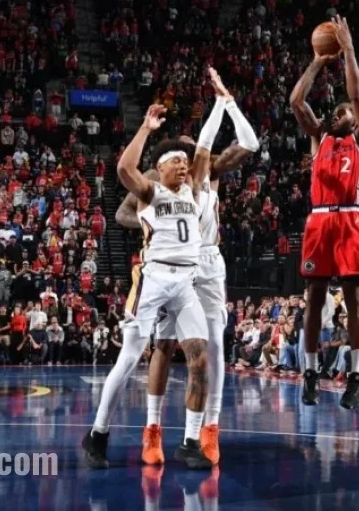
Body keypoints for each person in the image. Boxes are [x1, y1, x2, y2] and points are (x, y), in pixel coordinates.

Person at [117, 69, 258, 466]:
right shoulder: (160, 181)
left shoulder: (210, 173)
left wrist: (225, 102)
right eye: (182, 154)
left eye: (192, 152)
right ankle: (153, 427)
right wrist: (155, 225)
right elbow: (125, 211)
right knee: (163, 345)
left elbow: (247, 142)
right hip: (172, 264)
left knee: (212, 348)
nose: (189, 156)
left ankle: (209, 428)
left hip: (207, 262)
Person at [82, 97, 220, 471]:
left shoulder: (193, 190)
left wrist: (221, 103)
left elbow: (206, 147)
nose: (183, 164)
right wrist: (145, 127)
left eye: (185, 161)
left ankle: (190, 442)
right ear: (159, 169)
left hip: (186, 282)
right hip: (154, 277)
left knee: (199, 358)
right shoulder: (150, 192)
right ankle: (97, 434)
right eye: (176, 160)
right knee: (129, 359)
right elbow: (124, 167)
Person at [290, 16, 359, 409]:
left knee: (354, 297)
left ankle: (356, 376)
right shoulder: (320, 137)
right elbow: (296, 102)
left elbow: (356, 96)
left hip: (350, 219)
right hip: (320, 219)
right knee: (314, 297)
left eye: (344, 113)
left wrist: (349, 51)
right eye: (336, 113)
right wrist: (316, 61)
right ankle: (310, 371)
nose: (338, 115)